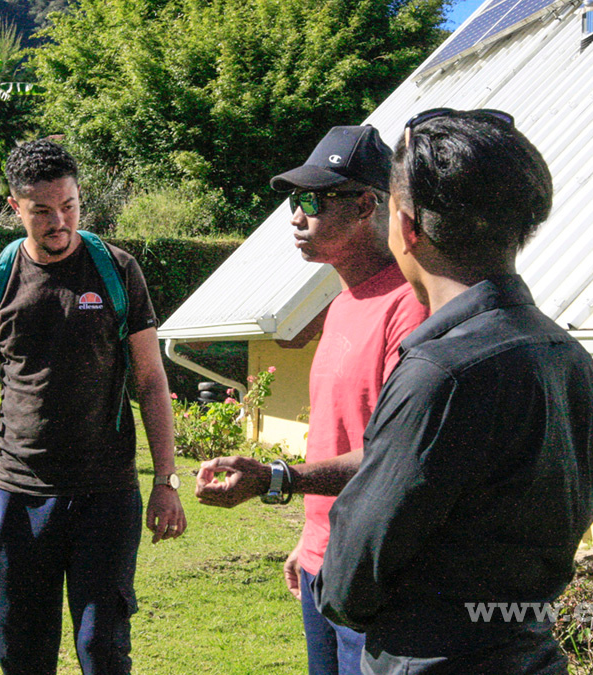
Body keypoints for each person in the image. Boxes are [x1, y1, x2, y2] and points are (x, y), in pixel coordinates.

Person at [311, 108, 593, 674]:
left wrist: (337, 589)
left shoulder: (440, 371)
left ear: (406, 227)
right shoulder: (568, 357)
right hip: (529, 651)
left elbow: (355, 567)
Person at [194, 124, 428, 675]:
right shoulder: (343, 302)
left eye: (311, 200)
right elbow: (338, 433)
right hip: (325, 563)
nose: (294, 217)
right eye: (292, 202)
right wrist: (311, 539)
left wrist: (276, 479)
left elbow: (392, 458)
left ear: (366, 204)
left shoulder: (409, 308)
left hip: (373, 576)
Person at [0, 139, 186, 675]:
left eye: (70, 206)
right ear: (15, 207)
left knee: (103, 651)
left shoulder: (117, 271)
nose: (59, 222)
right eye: (42, 211)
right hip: (17, 498)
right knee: (24, 656)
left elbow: (151, 381)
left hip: (105, 496)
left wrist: (166, 481)